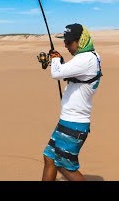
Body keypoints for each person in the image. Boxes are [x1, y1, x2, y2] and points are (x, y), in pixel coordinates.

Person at [41, 23, 102, 181]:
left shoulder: (86, 58)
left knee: (64, 165)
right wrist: (60, 60)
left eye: (69, 42)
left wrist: (55, 60)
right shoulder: (87, 57)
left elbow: (56, 73)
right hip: (67, 121)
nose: (66, 45)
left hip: (74, 124)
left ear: (80, 41)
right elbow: (69, 71)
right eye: (65, 41)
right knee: (49, 157)